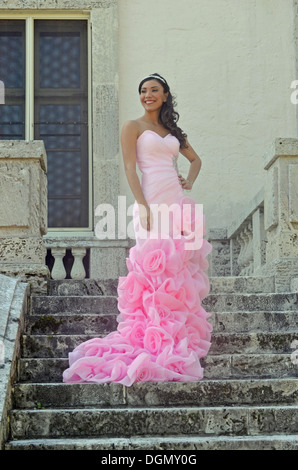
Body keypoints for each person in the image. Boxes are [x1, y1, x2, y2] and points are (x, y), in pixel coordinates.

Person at [62, 73, 212, 386]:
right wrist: (141, 204)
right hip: (150, 196)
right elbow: (130, 168)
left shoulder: (171, 130)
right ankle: (151, 336)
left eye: (154, 90)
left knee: (177, 268)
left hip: (175, 197)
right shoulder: (133, 126)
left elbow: (195, 160)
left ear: (166, 95)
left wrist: (190, 181)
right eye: (143, 91)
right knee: (152, 267)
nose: (147, 95)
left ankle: (173, 333)